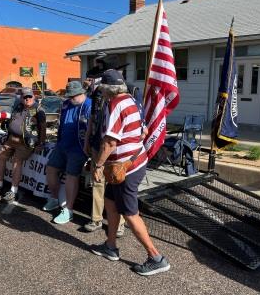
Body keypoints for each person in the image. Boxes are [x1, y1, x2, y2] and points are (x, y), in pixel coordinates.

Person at [90, 69, 170, 276]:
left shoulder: (115, 105)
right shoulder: (131, 100)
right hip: (133, 161)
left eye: (101, 89)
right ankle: (110, 246)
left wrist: (97, 165)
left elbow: (109, 142)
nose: (100, 92)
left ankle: (156, 257)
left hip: (126, 167)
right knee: (110, 202)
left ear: (107, 89)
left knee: (130, 212)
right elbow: (142, 130)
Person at [83, 53, 125, 237]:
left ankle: (120, 223)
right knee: (97, 181)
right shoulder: (97, 93)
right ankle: (96, 218)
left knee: (116, 183)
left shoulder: (127, 91)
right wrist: (87, 139)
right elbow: (92, 118)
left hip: (115, 145)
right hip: (97, 142)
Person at [43, 81, 91, 224]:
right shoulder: (66, 104)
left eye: (73, 96)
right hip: (62, 145)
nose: (70, 99)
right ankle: (55, 198)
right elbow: (61, 123)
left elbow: (91, 130)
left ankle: (68, 210)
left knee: (71, 176)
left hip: (79, 148)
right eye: (69, 96)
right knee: (50, 169)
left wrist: (87, 150)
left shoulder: (89, 105)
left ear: (81, 93)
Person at [0, 87, 46, 202]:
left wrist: (41, 143)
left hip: (25, 143)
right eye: (25, 97)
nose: (27, 99)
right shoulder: (18, 106)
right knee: (1, 156)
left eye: (29, 96)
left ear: (33, 96)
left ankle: (13, 190)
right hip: (11, 139)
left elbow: (43, 128)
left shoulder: (38, 110)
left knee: (16, 161)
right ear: (21, 98)